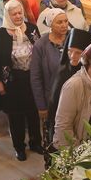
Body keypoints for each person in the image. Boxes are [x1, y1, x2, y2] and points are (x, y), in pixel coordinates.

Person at [0, 0, 42, 161]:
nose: (18, 16)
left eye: (20, 13)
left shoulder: (31, 29)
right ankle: (19, 147)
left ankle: (35, 142)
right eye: (14, 14)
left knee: (33, 113)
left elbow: (40, 51)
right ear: (8, 16)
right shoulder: (1, 34)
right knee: (16, 116)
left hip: (31, 78)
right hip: (12, 81)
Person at [30, 10, 70, 151]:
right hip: (52, 98)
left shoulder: (72, 38)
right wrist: (41, 106)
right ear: (51, 25)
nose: (64, 25)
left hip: (71, 96)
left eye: (66, 21)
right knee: (54, 135)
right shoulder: (41, 45)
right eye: (59, 22)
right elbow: (35, 77)